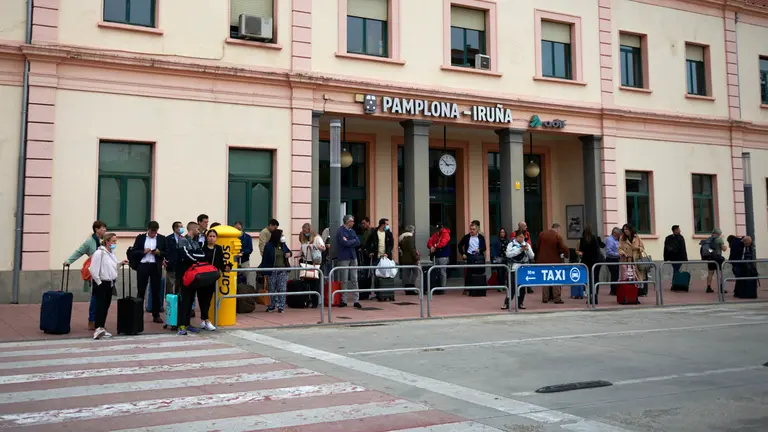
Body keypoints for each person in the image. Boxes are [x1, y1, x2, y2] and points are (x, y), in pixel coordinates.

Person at [64, 220, 107, 331]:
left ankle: (98, 320)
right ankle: (92, 320)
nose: (105, 230)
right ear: (97, 229)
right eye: (103, 228)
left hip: (105, 272)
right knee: (95, 297)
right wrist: (69, 261)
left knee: (102, 297)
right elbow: (79, 251)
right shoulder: (90, 242)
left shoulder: (103, 242)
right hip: (95, 273)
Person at [88, 233, 128, 339]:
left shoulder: (111, 253)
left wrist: (120, 263)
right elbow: (93, 269)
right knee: (100, 306)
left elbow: (113, 266)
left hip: (110, 283)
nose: (115, 243)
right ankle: (98, 328)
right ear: (107, 242)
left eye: (115, 241)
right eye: (113, 241)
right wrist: (99, 282)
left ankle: (102, 327)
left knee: (106, 306)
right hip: (101, 283)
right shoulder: (99, 253)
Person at [128, 221, 167, 324]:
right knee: (141, 290)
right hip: (143, 265)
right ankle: (138, 314)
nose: (153, 234)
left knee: (156, 291)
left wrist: (159, 253)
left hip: (155, 266)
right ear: (148, 229)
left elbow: (166, 252)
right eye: (152, 232)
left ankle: (156, 314)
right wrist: (143, 251)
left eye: (155, 232)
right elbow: (134, 251)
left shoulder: (162, 238)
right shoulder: (140, 238)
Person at [177, 221, 206, 335]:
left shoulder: (195, 242)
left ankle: (187, 323)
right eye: (198, 230)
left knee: (190, 300)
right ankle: (181, 325)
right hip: (184, 275)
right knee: (184, 301)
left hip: (193, 275)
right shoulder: (182, 240)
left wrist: (194, 257)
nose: (199, 232)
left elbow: (202, 255)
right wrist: (195, 258)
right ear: (193, 229)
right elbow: (185, 255)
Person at [198, 229, 230, 330]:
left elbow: (221, 262)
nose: (212, 238)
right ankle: (205, 320)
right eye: (210, 236)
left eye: (213, 236)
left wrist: (227, 268)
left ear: (216, 238)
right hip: (202, 276)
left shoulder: (218, 249)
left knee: (208, 299)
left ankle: (204, 319)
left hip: (212, 277)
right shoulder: (202, 248)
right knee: (201, 298)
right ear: (207, 237)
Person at [259, 229, 292, 313]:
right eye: (281, 235)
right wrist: (264, 272)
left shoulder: (283, 245)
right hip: (272, 270)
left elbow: (289, 252)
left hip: (282, 270)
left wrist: (289, 254)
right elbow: (265, 259)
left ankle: (281, 306)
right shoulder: (269, 246)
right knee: (272, 289)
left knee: (282, 289)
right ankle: (272, 305)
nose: (283, 237)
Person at [536, 223, 569, 304]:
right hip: (554, 261)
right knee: (556, 279)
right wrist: (567, 254)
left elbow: (537, 246)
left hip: (543, 261)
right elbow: (562, 247)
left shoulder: (542, 234)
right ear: (557, 229)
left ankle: (545, 298)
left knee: (545, 279)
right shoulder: (557, 236)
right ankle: (557, 298)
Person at [503, 230, 535, 310]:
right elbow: (508, 254)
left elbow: (532, 256)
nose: (521, 238)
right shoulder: (511, 244)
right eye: (520, 237)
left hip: (523, 268)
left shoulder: (526, 244)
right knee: (512, 287)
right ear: (516, 237)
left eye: (523, 237)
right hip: (514, 267)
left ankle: (520, 303)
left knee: (522, 287)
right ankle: (506, 303)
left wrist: (527, 249)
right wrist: (520, 250)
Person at [336, 215, 362, 309]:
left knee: (355, 278)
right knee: (344, 280)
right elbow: (344, 243)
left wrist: (351, 241)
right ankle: (344, 300)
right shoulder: (340, 231)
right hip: (344, 257)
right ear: (347, 222)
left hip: (353, 256)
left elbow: (358, 242)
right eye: (352, 221)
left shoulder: (352, 231)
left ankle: (356, 300)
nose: (353, 223)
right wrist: (353, 241)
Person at [577, 225, 605, 305]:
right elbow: (602, 245)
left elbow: (581, 249)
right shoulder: (596, 238)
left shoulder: (583, 239)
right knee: (596, 279)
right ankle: (595, 297)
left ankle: (589, 297)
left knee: (588, 280)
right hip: (596, 262)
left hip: (587, 262)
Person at [299, 223, 326, 308]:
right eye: (303, 231)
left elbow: (323, 248)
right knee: (305, 283)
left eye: (305, 231)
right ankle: (306, 301)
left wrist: (316, 246)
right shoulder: (303, 239)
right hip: (306, 262)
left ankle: (315, 302)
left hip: (315, 262)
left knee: (314, 283)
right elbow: (302, 249)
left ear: (309, 230)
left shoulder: (317, 238)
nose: (304, 233)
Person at [619, 224, 646, 291]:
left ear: (630, 230)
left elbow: (642, 247)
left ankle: (639, 291)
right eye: (624, 229)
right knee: (627, 276)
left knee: (638, 276)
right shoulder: (622, 238)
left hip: (636, 260)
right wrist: (622, 252)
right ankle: (629, 291)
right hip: (626, 260)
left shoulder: (636, 237)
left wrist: (637, 248)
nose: (625, 231)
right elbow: (619, 248)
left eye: (626, 229)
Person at [700, 228, 727, 293]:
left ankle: (708, 287)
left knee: (710, 273)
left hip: (710, 258)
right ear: (719, 233)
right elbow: (724, 249)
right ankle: (721, 288)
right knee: (720, 273)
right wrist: (725, 247)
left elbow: (708, 249)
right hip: (718, 258)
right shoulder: (719, 239)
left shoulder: (709, 239)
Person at [427, 223, 451, 288]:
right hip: (436, 255)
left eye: (439, 228)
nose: (438, 230)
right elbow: (429, 242)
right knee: (436, 271)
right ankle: (436, 285)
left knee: (442, 272)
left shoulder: (446, 234)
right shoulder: (436, 234)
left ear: (442, 228)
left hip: (443, 255)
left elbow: (442, 243)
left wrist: (434, 247)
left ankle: (442, 286)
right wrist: (431, 246)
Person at [165, 221, 185, 295]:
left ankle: (179, 304)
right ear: (176, 228)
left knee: (179, 286)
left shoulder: (184, 239)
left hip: (181, 266)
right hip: (171, 265)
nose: (182, 228)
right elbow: (166, 251)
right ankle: (170, 303)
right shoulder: (168, 238)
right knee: (170, 286)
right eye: (181, 227)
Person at [233, 221, 255, 287]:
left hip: (244, 261)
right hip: (234, 261)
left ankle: (251, 291)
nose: (238, 231)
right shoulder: (232, 237)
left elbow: (250, 249)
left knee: (249, 276)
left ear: (242, 228)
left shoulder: (247, 237)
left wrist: (242, 252)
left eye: (239, 229)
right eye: (236, 229)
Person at [399, 225, 420, 289]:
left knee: (406, 274)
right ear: (412, 230)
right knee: (416, 273)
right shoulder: (410, 238)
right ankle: (412, 285)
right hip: (411, 259)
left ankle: (405, 286)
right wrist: (416, 258)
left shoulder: (402, 238)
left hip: (404, 258)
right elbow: (412, 250)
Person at [492, 228, 511, 292]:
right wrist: (495, 258)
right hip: (499, 258)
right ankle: (500, 286)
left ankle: (506, 286)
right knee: (500, 273)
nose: (502, 233)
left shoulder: (508, 241)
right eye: (501, 232)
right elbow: (493, 250)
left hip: (506, 258)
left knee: (506, 272)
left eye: (503, 232)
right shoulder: (496, 241)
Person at [604, 227, 622, 294]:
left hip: (616, 259)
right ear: (614, 233)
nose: (619, 236)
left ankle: (614, 289)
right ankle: (613, 290)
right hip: (611, 259)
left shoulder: (616, 240)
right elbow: (609, 251)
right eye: (618, 234)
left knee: (616, 275)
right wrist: (618, 254)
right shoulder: (610, 240)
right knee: (614, 275)